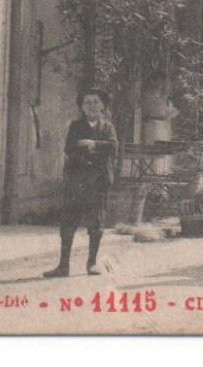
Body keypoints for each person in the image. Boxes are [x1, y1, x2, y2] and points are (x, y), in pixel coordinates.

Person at [43, 88, 118, 278]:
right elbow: (69, 148)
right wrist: (88, 149)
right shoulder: (76, 126)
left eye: (95, 102)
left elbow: (113, 147)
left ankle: (92, 263)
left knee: (96, 223)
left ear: (102, 106)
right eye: (87, 103)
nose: (91, 106)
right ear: (82, 108)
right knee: (68, 222)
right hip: (77, 181)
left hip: (99, 182)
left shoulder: (107, 127)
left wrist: (93, 145)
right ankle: (63, 266)